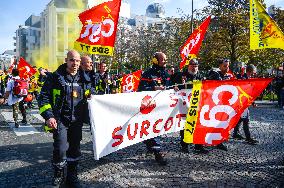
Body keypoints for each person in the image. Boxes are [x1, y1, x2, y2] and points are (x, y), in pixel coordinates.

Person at [38, 50, 93, 187]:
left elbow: (90, 94)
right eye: (72, 60)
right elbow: (43, 97)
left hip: (77, 120)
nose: (75, 63)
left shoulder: (84, 78)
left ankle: (72, 176)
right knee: (61, 148)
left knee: (75, 149)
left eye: (77, 61)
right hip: (60, 119)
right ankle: (58, 175)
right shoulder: (55, 77)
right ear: (66, 60)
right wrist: (49, 116)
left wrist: (92, 96)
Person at [137, 52, 169, 166]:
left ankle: (150, 144)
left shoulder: (165, 73)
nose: (165, 61)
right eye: (163, 59)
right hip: (149, 107)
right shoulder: (148, 73)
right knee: (154, 128)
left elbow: (168, 85)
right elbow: (140, 89)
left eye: (165, 59)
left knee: (156, 128)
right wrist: (153, 88)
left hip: (162, 107)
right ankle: (157, 152)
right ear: (155, 61)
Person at [171, 59, 209, 154]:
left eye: (196, 65)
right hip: (185, 105)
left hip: (197, 104)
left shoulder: (200, 76)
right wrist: (175, 88)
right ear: (188, 66)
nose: (194, 67)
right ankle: (184, 145)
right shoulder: (181, 75)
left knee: (199, 125)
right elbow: (173, 85)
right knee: (185, 125)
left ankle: (198, 146)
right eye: (192, 65)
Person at [207, 58, 234, 151]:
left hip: (223, 105)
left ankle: (219, 142)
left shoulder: (228, 75)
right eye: (225, 66)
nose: (227, 68)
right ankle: (200, 143)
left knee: (220, 124)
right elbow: (209, 86)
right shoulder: (214, 73)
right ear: (220, 66)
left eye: (228, 66)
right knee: (210, 123)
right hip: (213, 104)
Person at [232, 64, 259, 144]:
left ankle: (235, 133)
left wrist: (253, 102)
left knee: (240, 119)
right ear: (251, 71)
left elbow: (249, 93)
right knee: (246, 120)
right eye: (254, 72)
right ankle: (248, 138)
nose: (255, 74)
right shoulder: (242, 77)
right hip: (241, 102)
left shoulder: (247, 77)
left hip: (244, 102)